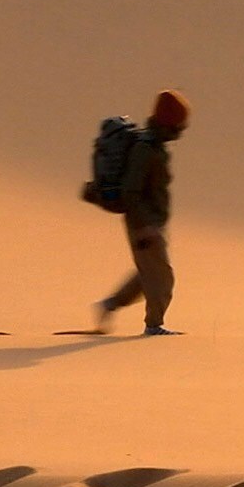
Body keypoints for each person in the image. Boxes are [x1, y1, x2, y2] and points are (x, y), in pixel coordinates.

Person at [92, 90, 188, 336]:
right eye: (179, 125)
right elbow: (130, 191)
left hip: (151, 222)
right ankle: (154, 325)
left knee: (149, 275)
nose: (181, 131)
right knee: (162, 278)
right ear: (169, 123)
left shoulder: (155, 146)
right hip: (143, 223)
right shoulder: (145, 149)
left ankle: (109, 305)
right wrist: (145, 226)